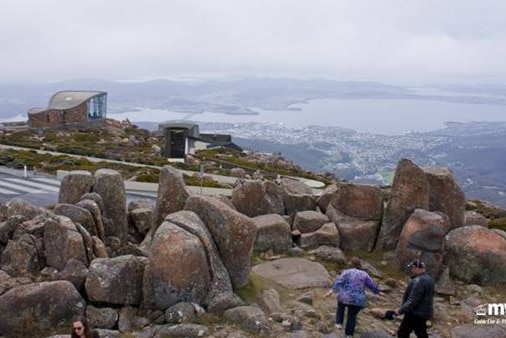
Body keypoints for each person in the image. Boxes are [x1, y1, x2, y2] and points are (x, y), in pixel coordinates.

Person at [325, 256, 381, 338]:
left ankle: (339, 323)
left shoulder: (346, 272)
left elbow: (339, 282)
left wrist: (331, 291)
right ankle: (349, 334)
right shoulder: (364, 274)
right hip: (357, 300)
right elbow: (371, 285)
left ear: (351, 264)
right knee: (352, 316)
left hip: (345, 297)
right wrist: (378, 292)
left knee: (340, 307)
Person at [395, 259, 434, 338]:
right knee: (421, 332)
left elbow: (413, 299)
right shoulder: (430, 279)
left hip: (414, 312)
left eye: (412, 268)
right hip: (424, 312)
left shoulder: (419, 280)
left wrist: (401, 310)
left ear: (417, 268)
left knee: (403, 333)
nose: (411, 270)